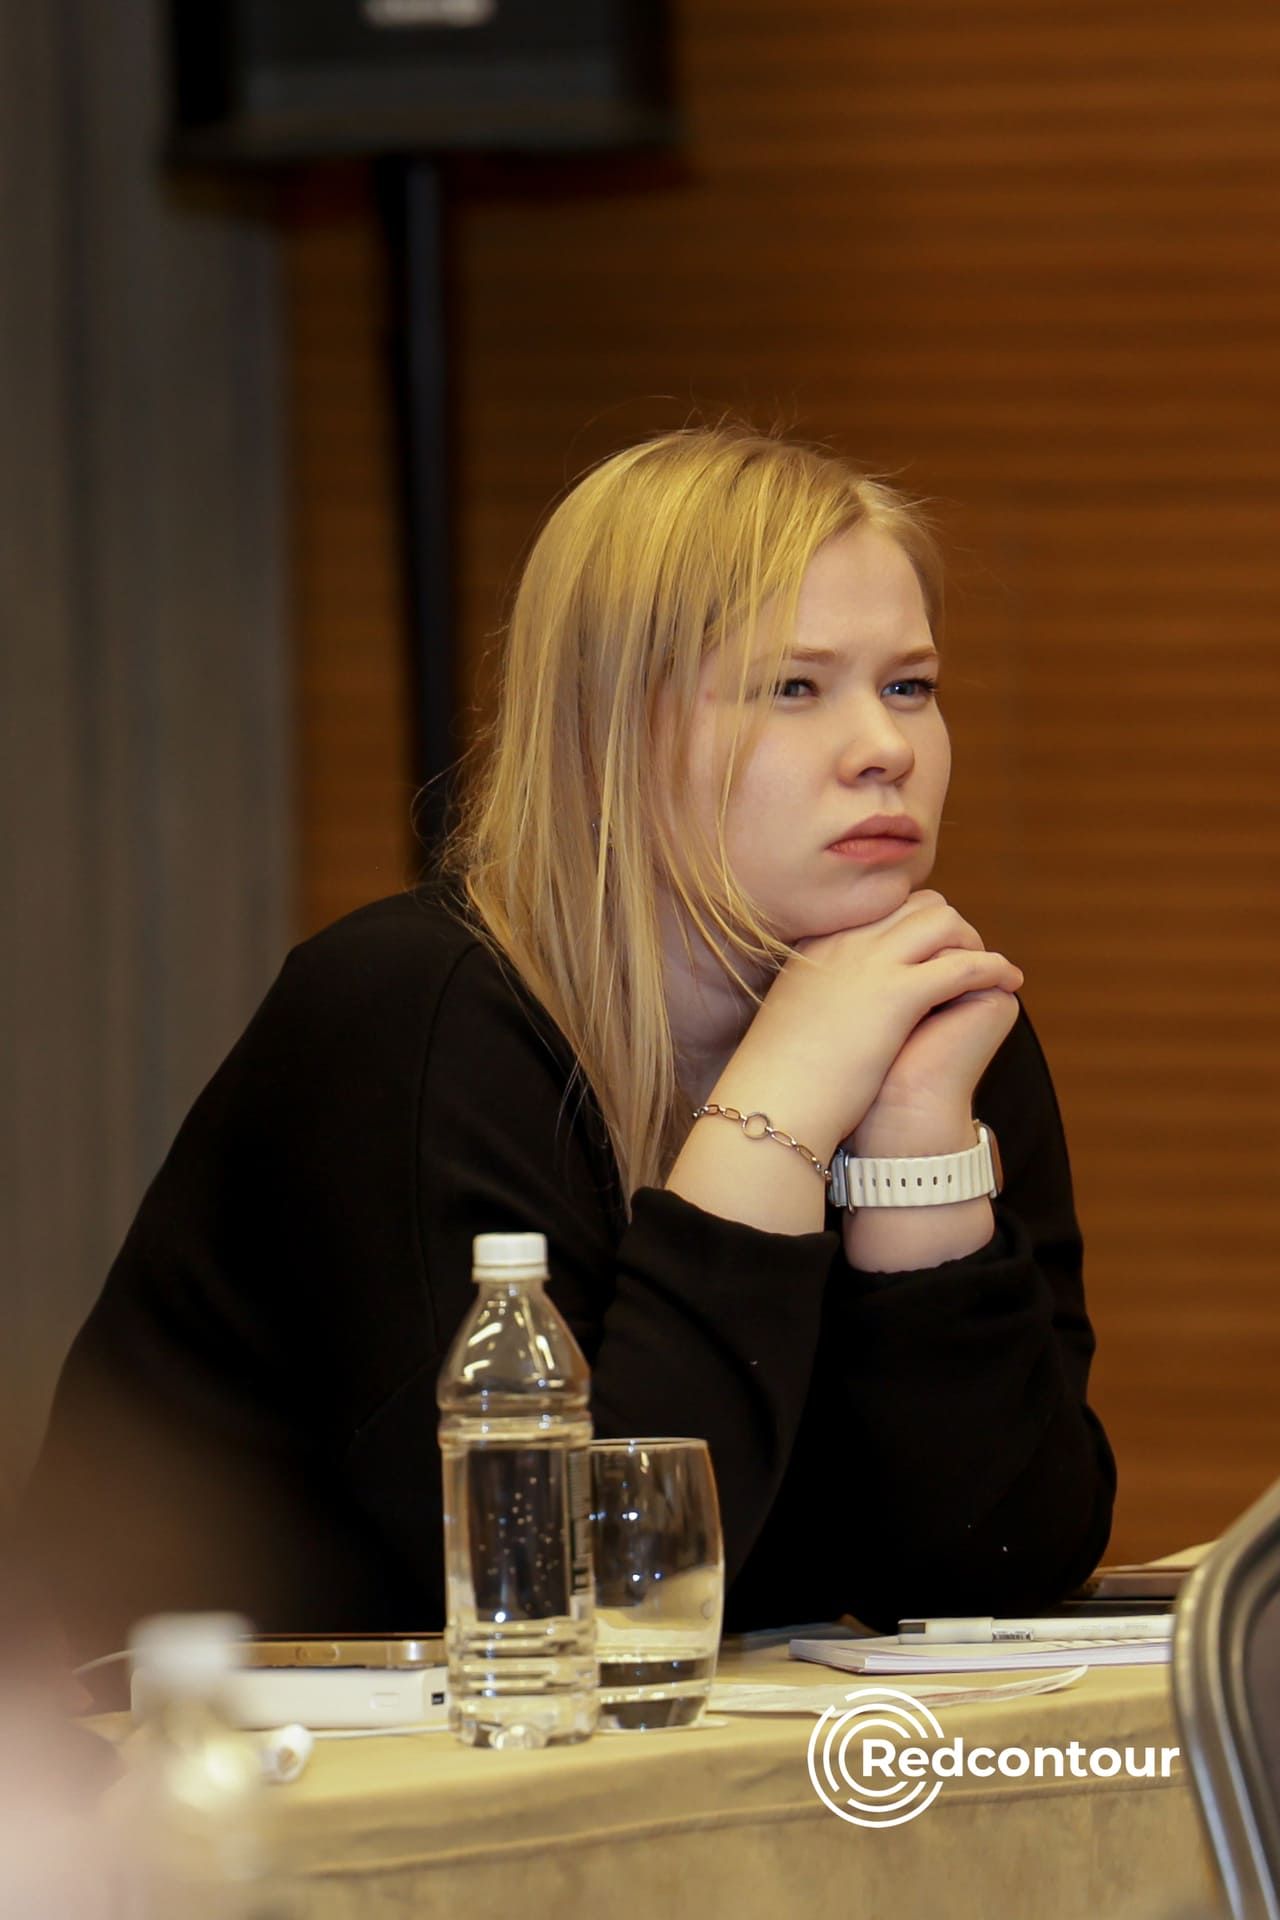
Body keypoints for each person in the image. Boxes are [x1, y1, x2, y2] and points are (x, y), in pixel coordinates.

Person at [20, 424, 1115, 1682]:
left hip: (649, 1764)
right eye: (792, 687)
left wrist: (913, 1148)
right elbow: (558, 1584)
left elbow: (996, 1572)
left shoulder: (928, 1026)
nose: (886, 748)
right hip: (186, 1764)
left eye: (908, 685)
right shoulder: (407, 1015)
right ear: (608, 733)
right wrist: (779, 1108)